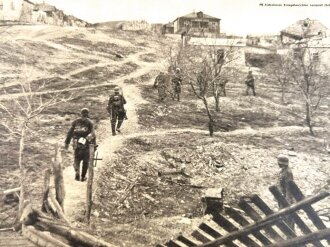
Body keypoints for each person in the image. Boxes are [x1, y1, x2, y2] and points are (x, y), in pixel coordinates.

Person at [65, 108, 96, 181]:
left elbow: (70, 133)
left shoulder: (75, 122)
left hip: (76, 142)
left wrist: (67, 143)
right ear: (88, 114)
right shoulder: (90, 122)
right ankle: (83, 176)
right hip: (86, 143)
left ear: (81, 113)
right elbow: (93, 134)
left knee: (76, 158)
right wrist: (94, 145)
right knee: (86, 160)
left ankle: (77, 172)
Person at [277, 154, 295, 230]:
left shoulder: (288, 172)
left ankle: (291, 232)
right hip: (281, 196)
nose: (277, 163)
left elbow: (289, 187)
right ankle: (287, 231)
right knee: (282, 214)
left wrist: (288, 200)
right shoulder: (282, 171)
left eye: (279, 162)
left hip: (286, 197)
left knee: (288, 215)